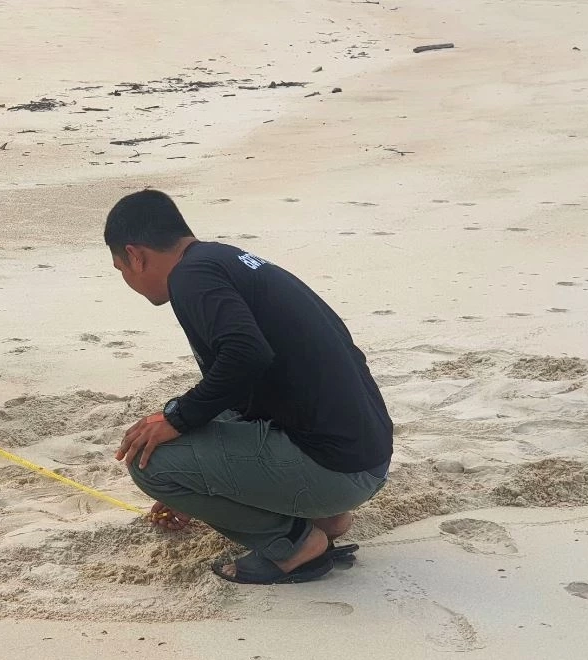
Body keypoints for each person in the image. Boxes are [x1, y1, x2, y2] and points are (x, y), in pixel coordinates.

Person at [105, 190, 393, 584]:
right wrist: (199, 480)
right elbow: (243, 384)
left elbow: (246, 354)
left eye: (120, 268)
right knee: (191, 422)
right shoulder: (225, 261)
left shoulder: (190, 277)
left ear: (135, 255)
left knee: (152, 459)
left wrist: (178, 423)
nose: (126, 278)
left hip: (336, 470)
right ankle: (325, 519)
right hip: (365, 459)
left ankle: (296, 547)